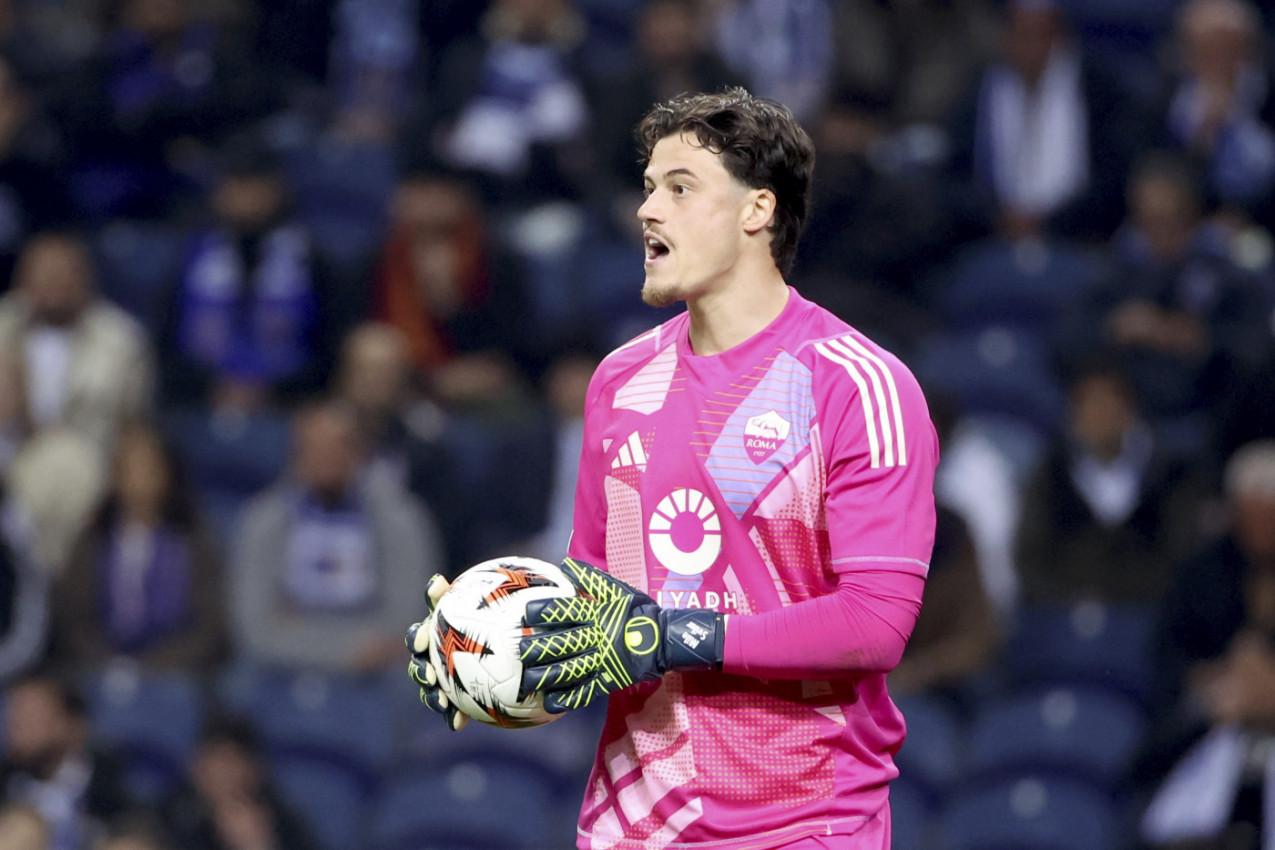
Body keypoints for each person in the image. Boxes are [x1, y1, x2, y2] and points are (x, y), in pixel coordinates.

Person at [409, 88, 938, 849]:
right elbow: (600, 622)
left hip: (802, 824)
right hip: (632, 827)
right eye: (649, 186)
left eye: (680, 188)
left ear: (757, 210)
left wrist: (681, 637)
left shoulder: (857, 384)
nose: (647, 210)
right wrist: (485, 651)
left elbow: (874, 624)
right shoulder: (619, 381)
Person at [231, 400, 439, 673]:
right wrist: (344, 652)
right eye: (314, 448)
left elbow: (410, 614)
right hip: (282, 667)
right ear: (296, 455)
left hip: (378, 669)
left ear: (360, 454)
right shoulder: (265, 521)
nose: (327, 458)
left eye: (339, 447)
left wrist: (367, 648)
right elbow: (254, 625)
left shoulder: (400, 519)